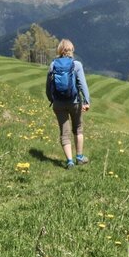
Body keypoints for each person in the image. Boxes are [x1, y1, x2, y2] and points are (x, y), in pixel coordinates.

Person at [48, 39, 91, 169]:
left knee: (64, 132)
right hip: (74, 102)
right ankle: (79, 157)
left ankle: (69, 161)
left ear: (59, 50)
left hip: (58, 103)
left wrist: (52, 99)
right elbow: (82, 84)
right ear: (71, 50)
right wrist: (87, 101)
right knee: (78, 128)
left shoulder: (53, 65)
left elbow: (48, 86)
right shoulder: (76, 65)